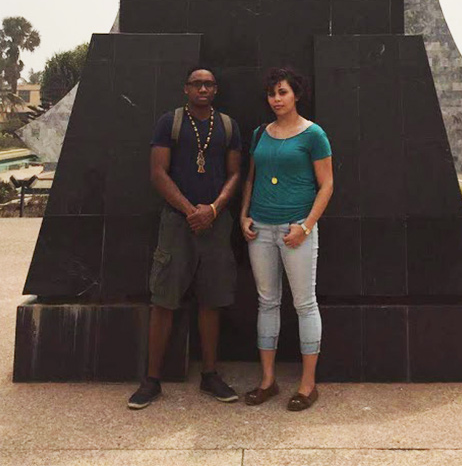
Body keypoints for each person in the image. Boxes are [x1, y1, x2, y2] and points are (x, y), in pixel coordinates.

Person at [127, 67, 242, 409]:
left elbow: (236, 173)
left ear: (216, 89)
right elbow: (157, 172)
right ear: (186, 89)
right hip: (177, 223)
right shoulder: (170, 122)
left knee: (212, 299)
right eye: (197, 84)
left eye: (208, 84)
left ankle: (210, 375)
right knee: (163, 298)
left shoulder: (227, 126)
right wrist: (190, 210)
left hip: (216, 224)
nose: (203, 88)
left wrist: (214, 209)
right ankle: (152, 380)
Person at [240, 67, 334, 410]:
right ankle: (268, 380)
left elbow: (327, 185)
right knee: (267, 302)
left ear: (296, 94)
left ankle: (308, 385)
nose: (276, 99)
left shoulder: (314, 135)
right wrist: (243, 215)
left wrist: (306, 226)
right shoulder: (259, 134)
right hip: (260, 230)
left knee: (304, 303)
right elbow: (251, 178)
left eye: (282, 92)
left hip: (297, 229)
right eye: (271, 93)